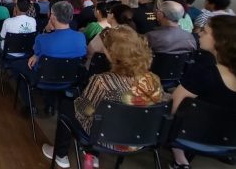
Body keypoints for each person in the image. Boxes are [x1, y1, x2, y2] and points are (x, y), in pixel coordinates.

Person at [42, 25, 164, 168]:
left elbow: (83, 112)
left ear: (112, 52)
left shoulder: (102, 81)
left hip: (107, 138)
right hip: (140, 138)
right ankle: (93, 157)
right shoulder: (154, 79)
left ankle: (60, 154)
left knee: (67, 106)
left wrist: (79, 97)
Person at [169, 15, 236, 169]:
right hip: (230, 142)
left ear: (221, 41)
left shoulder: (203, 72)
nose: (199, 34)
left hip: (189, 137)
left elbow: (173, 108)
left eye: (204, 32)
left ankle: (181, 161)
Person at [11, 1, 87, 116]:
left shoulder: (42, 39)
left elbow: (36, 51)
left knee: (17, 65)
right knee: (50, 68)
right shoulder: (81, 37)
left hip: (43, 78)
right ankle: (49, 105)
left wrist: (46, 31)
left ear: (52, 16)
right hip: (70, 79)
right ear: (70, 17)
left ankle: (30, 105)